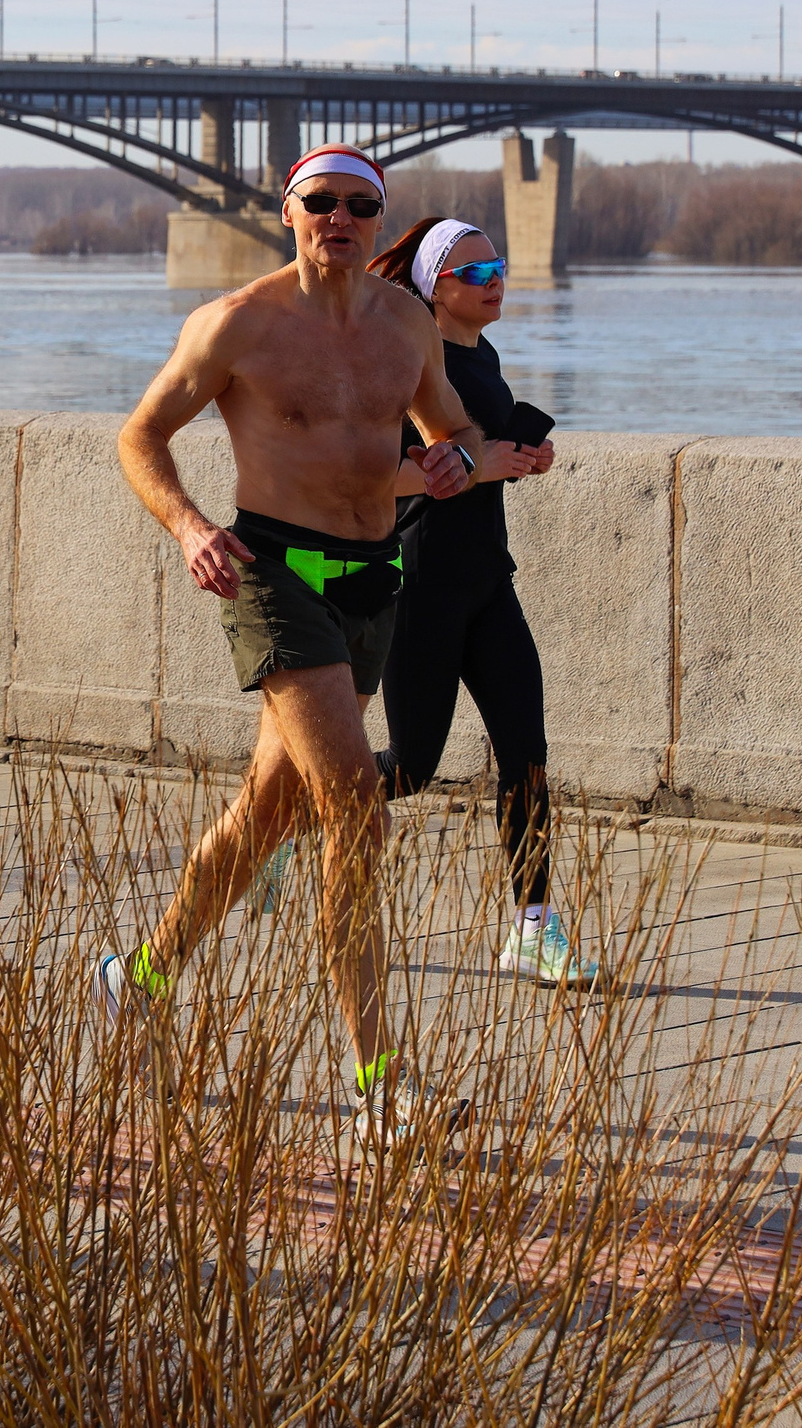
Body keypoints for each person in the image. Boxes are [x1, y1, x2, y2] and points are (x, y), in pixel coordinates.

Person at [104, 144, 484, 1141]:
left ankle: (139, 971)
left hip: (370, 581)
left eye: (362, 205)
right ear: (288, 211)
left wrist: (455, 462)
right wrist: (191, 527)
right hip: (271, 573)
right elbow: (138, 435)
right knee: (356, 809)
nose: (340, 219)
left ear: (378, 217)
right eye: (321, 202)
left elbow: (450, 430)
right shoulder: (236, 323)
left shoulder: (406, 320)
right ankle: (377, 1087)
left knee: (267, 814)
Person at [366, 217, 600, 988]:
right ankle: (286, 813)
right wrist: (480, 463)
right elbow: (386, 469)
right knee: (409, 769)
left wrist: (524, 459)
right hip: (422, 581)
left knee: (526, 754)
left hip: (487, 584)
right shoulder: (408, 360)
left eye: (496, 266)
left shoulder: (483, 353)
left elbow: (484, 452)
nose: (493, 280)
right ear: (436, 287)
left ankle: (532, 928)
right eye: (472, 273)